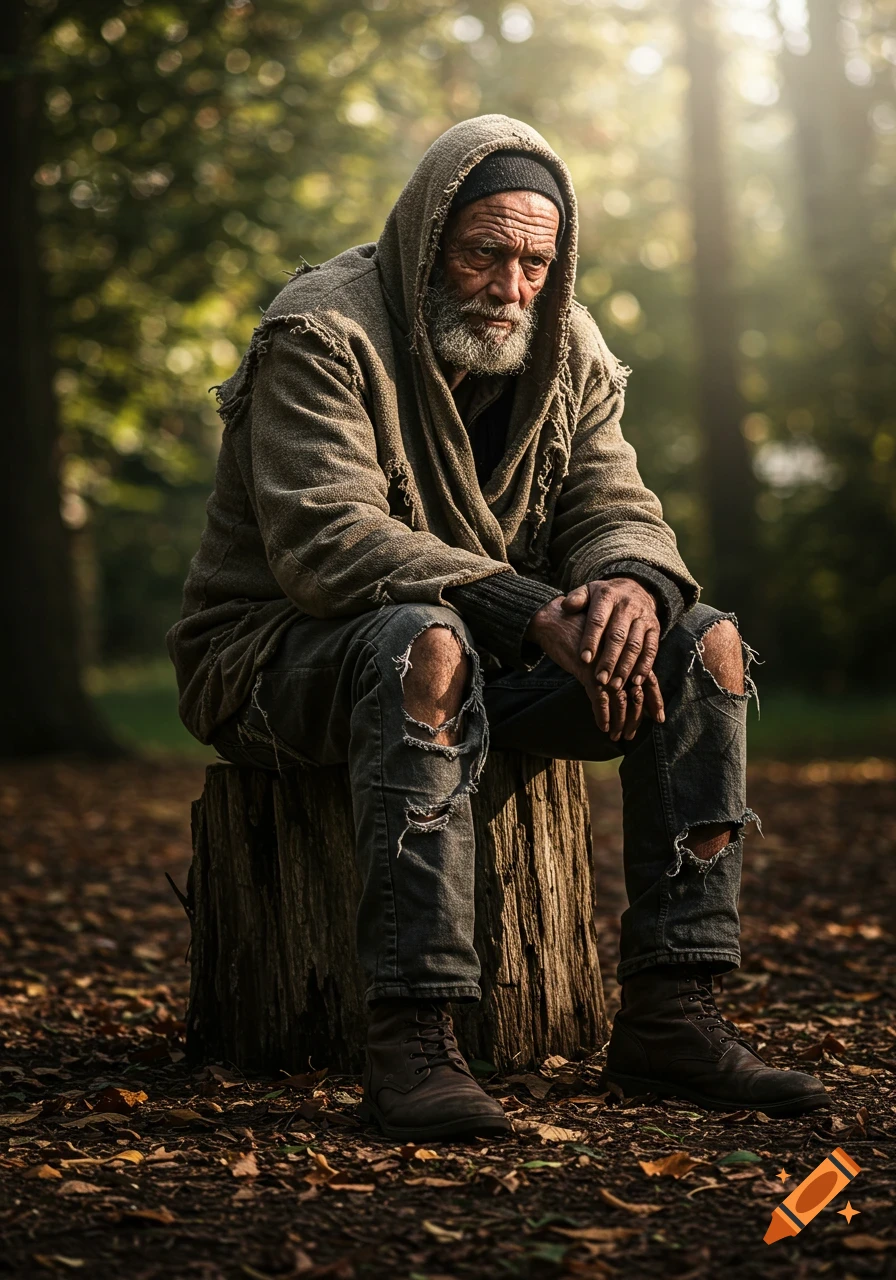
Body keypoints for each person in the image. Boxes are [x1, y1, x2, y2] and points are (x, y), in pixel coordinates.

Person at [168, 115, 826, 1141]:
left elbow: (614, 501)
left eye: (533, 262)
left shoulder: (567, 346)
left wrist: (626, 588)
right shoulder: (320, 332)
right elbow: (325, 541)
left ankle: (672, 1009)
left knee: (704, 643)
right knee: (420, 643)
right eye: (484, 253)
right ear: (429, 237)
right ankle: (413, 1039)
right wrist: (528, 609)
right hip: (275, 655)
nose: (508, 287)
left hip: (490, 650)